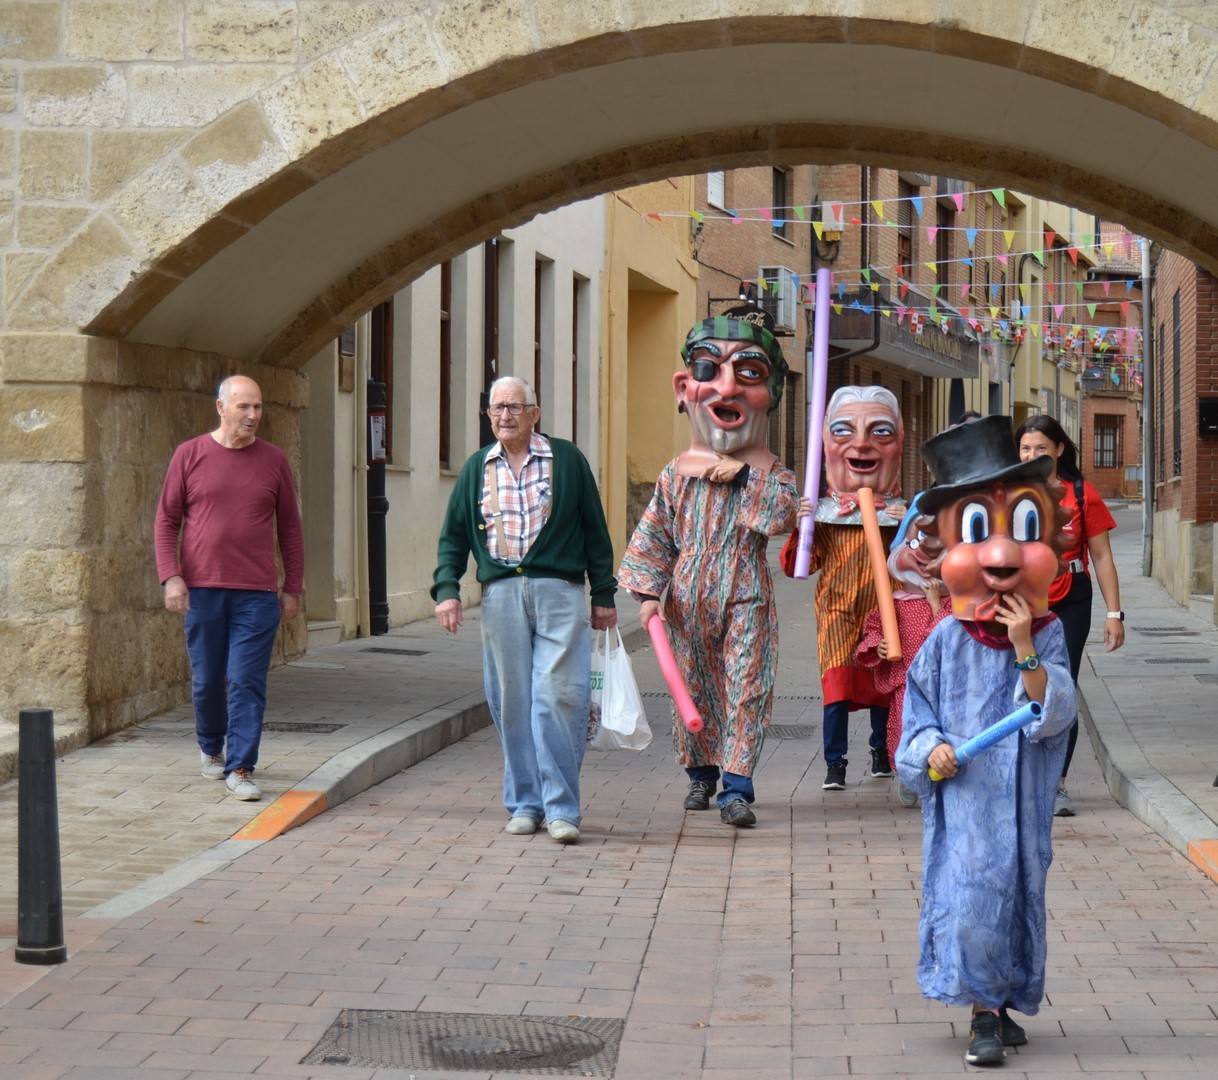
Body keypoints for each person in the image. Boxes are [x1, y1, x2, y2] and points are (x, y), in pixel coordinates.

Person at [896, 414, 1076, 1067]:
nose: (1000, 556)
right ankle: (981, 1016)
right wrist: (930, 749)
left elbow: (1054, 712)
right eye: (978, 530)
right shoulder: (944, 642)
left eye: (1022, 529)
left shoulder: (1048, 631)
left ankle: (999, 1003)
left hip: (1024, 806)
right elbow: (914, 720)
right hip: (967, 801)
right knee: (974, 894)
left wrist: (1026, 646)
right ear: (944, 547)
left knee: (1019, 897)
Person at [619, 305, 802, 828]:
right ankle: (700, 774)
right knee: (692, 686)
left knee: (746, 686)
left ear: (771, 395)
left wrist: (742, 477)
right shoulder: (676, 473)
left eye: (749, 374)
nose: (726, 390)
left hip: (746, 590)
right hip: (685, 596)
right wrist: (648, 593)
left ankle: (737, 786)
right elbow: (656, 533)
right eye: (707, 369)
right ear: (684, 387)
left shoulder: (773, 473)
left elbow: (779, 517)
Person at [432, 376, 617, 845]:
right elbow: (454, 536)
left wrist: (604, 594)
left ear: (535, 413)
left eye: (515, 407)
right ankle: (525, 803)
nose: (505, 416)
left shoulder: (568, 462)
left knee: (558, 696)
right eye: (497, 408)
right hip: (501, 598)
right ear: (489, 415)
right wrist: (447, 589)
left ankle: (561, 809)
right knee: (511, 701)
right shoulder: (478, 468)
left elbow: (595, 529)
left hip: (560, 592)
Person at [154, 375, 304, 802]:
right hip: (202, 589)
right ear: (221, 408)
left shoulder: (273, 461)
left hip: (256, 594)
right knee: (206, 681)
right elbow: (166, 521)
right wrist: (172, 575)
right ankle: (211, 747)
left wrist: (292, 585)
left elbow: (290, 528)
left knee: (245, 680)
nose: (253, 416)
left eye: (258, 407)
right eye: (244, 407)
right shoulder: (189, 455)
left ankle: (241, 766)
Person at [780, 385, 906, 791]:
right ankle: (835, 763)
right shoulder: (825, 512)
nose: (862, 443)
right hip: (835, 608)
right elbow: (802, 565)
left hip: (884, 608)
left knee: (882, 684)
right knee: (836, 683)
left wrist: (911, 526)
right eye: (844, 430)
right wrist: (804, 526)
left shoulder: (903, 513)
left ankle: (881, 753)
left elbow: (917, 561)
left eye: (881, 432)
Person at [1016, 414, 1124, 817]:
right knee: (1022, 684)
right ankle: (1021, 774)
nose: (1032, 455)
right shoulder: (1009, 492)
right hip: (1025, 600)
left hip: (1071, 599)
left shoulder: (1082, 494)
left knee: (1061, 684)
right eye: (1025, 448)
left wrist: (1115, 613)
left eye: (1041, 448)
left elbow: (1102, 556)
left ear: (1060, 449)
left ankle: (1057, 783)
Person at [854, 492, 951, 809]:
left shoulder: (954, 603)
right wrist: (877, 646)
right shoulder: (891, 603)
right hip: (905, 683)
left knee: (943, 730)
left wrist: (937, 605)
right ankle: (909, 775)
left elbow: (949, 637)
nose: (923, 553)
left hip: (943, 685)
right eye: (915, 541)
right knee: (903, 728)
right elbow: (873, 630)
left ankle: (937, 774)